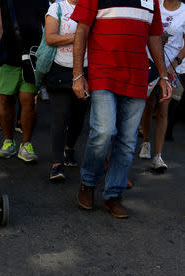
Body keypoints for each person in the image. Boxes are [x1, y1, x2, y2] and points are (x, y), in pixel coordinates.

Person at [72, 0, 172, 218]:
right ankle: (88, 183)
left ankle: (113, 195)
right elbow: (82, 30)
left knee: (127, 141)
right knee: (104, 131)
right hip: (103, 73)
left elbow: (154, 37)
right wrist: (78, 74)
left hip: (137, 77)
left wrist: (163, 75)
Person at [0, 1, 49, 162]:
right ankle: (8, 142)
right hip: (6, 57)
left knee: (28, 100)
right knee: (5, 100)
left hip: (32, 57)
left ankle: (26, 145)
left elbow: (48, 24)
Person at [44, 0, 88, 180]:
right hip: (60, 69)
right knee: (60, 116)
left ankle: (69, 148)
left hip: (86, 69)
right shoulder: (57, 7)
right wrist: (79, 36)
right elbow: (50, 38)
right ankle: (57, 164)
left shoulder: (91, 6)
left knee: (79, 116)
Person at [139, 0, 185, 171]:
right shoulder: (154, 4)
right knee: (148, 105)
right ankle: (146, 142)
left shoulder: (184, 11)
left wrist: (176, 61)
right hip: (150, 64)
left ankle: (158, 156)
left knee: (163, 109)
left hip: (171, 69)